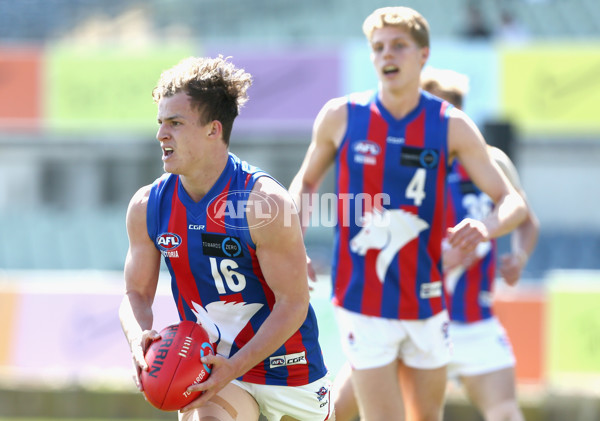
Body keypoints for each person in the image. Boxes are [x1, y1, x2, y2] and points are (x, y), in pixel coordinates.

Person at [288, 7, 527, 421]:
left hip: (428, 296)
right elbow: (307, 182)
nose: (387, 55)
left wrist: (485, 227)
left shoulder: (450, 124)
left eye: (399, 45)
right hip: (362, 296)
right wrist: (293, 245)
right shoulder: (340, 116)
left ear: (423, 54)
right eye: (378, 48)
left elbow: (514, 203)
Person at [118, 56, 333, 421]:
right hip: (211, 367)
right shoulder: (147, 206)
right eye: (160, 123)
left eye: (175, 123)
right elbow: (135, 293)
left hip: (289, 370)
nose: (161, 135)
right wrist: (139, 335)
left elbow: (293, 304)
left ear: (213, 130)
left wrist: (234, 365)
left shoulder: (263, 203)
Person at [423, 67, 539, 421]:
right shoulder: (409, 165)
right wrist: (443, 260)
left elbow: (527, 221)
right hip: (422, 321)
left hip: (477, 321)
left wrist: (518, 256)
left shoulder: (491, 162)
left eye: (453, 111)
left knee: (505, 412)